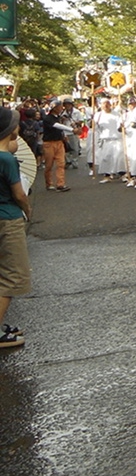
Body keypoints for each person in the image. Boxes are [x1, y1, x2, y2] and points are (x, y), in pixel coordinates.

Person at [0, 107, 32, 348]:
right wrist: (28, 210)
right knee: (12, 276)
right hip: (8, 219)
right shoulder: (7, 160)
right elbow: (19, 194)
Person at [40, 103, 72, 192]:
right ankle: (49, 183)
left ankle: (60, 184)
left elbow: (60, 129)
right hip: (49, 143)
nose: (62, 108)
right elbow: (57, 125)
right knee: (49, 165)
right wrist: (72, 130)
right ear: (54, 108)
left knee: (61, 163)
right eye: (60, 107)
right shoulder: (48, 118)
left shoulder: (58, 117)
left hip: (59, 142)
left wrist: (64, 135)